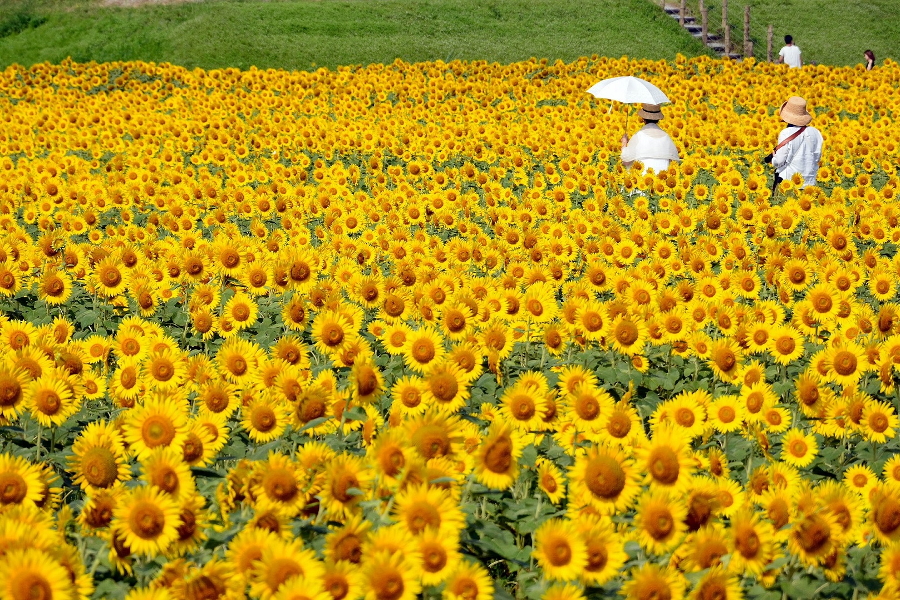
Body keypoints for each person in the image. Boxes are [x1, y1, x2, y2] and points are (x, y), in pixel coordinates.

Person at [763, 96, 823, 194]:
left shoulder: (786, 133)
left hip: (789, 183)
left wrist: (773, 159)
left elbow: (779, 161)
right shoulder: (815, 132)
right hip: (810, 183)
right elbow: (817, 158)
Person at [620, 104, 680, 173]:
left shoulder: (639, 136)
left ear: (643, 119)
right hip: (662, 179)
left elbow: (625, 161)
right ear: (658, 119)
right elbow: (674, 162)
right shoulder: (666, 137)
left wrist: (624, 142)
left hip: (641, 180)